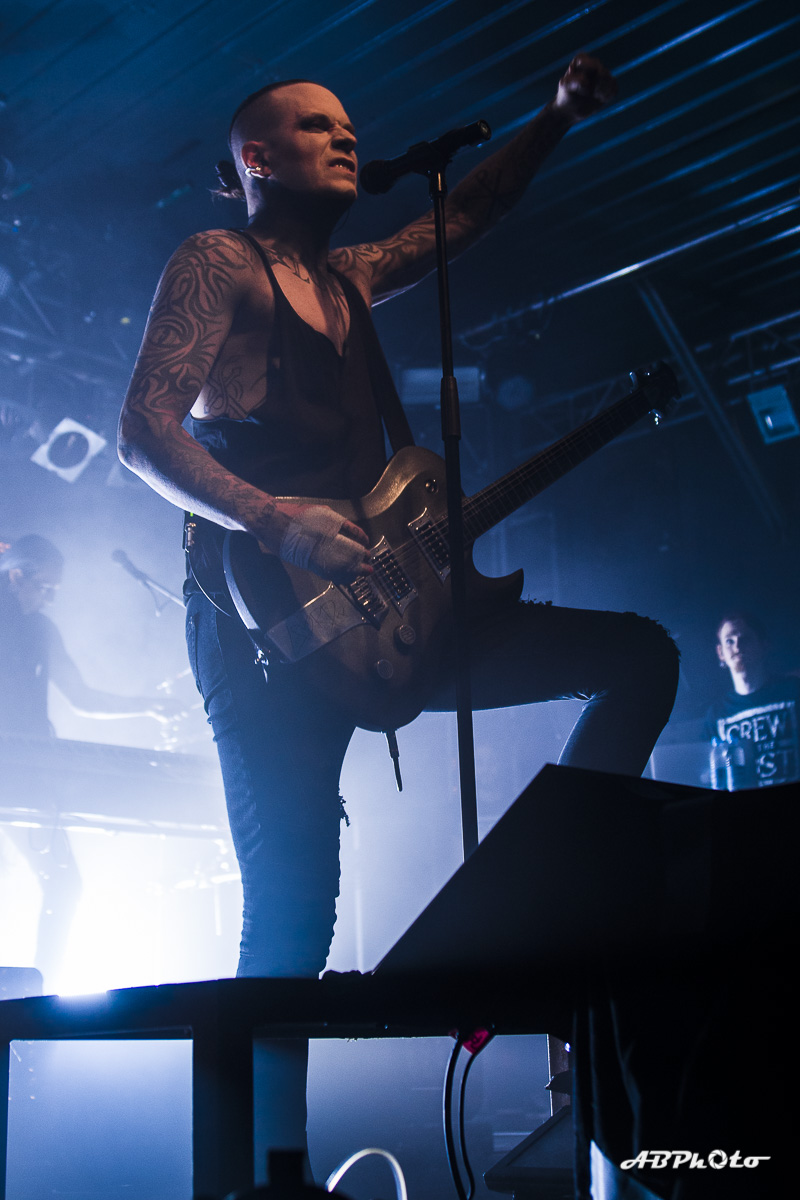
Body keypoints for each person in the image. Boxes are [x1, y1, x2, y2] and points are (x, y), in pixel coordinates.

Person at [117, 59, 679, 1165]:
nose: (347, 137)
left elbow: (465, 214)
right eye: (316, 125)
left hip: (395, 607)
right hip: (265, 629)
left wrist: (554, 119)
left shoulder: (351, 280)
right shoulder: (216, 263)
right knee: (292, 907)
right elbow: (142, 431)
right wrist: (276, 523)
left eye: (349, 125)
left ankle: (557, 882)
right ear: (256, 158)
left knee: (637, 658)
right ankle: (263, 1174)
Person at [0, 533, 176, 988]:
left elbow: (80, 697)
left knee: (64, 883)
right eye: (46, 588)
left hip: (29, 776)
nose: (50, 599)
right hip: (15, 770)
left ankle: (35, 998)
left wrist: (148, 707)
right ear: (16, 577)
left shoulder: (41, 630)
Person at [706, 611, 799, 789]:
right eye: (729, 641)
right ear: (720, 652)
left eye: (745, 639)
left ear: (764, 644)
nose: (737, 646)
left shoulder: (793, 691)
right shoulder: (716, 714)